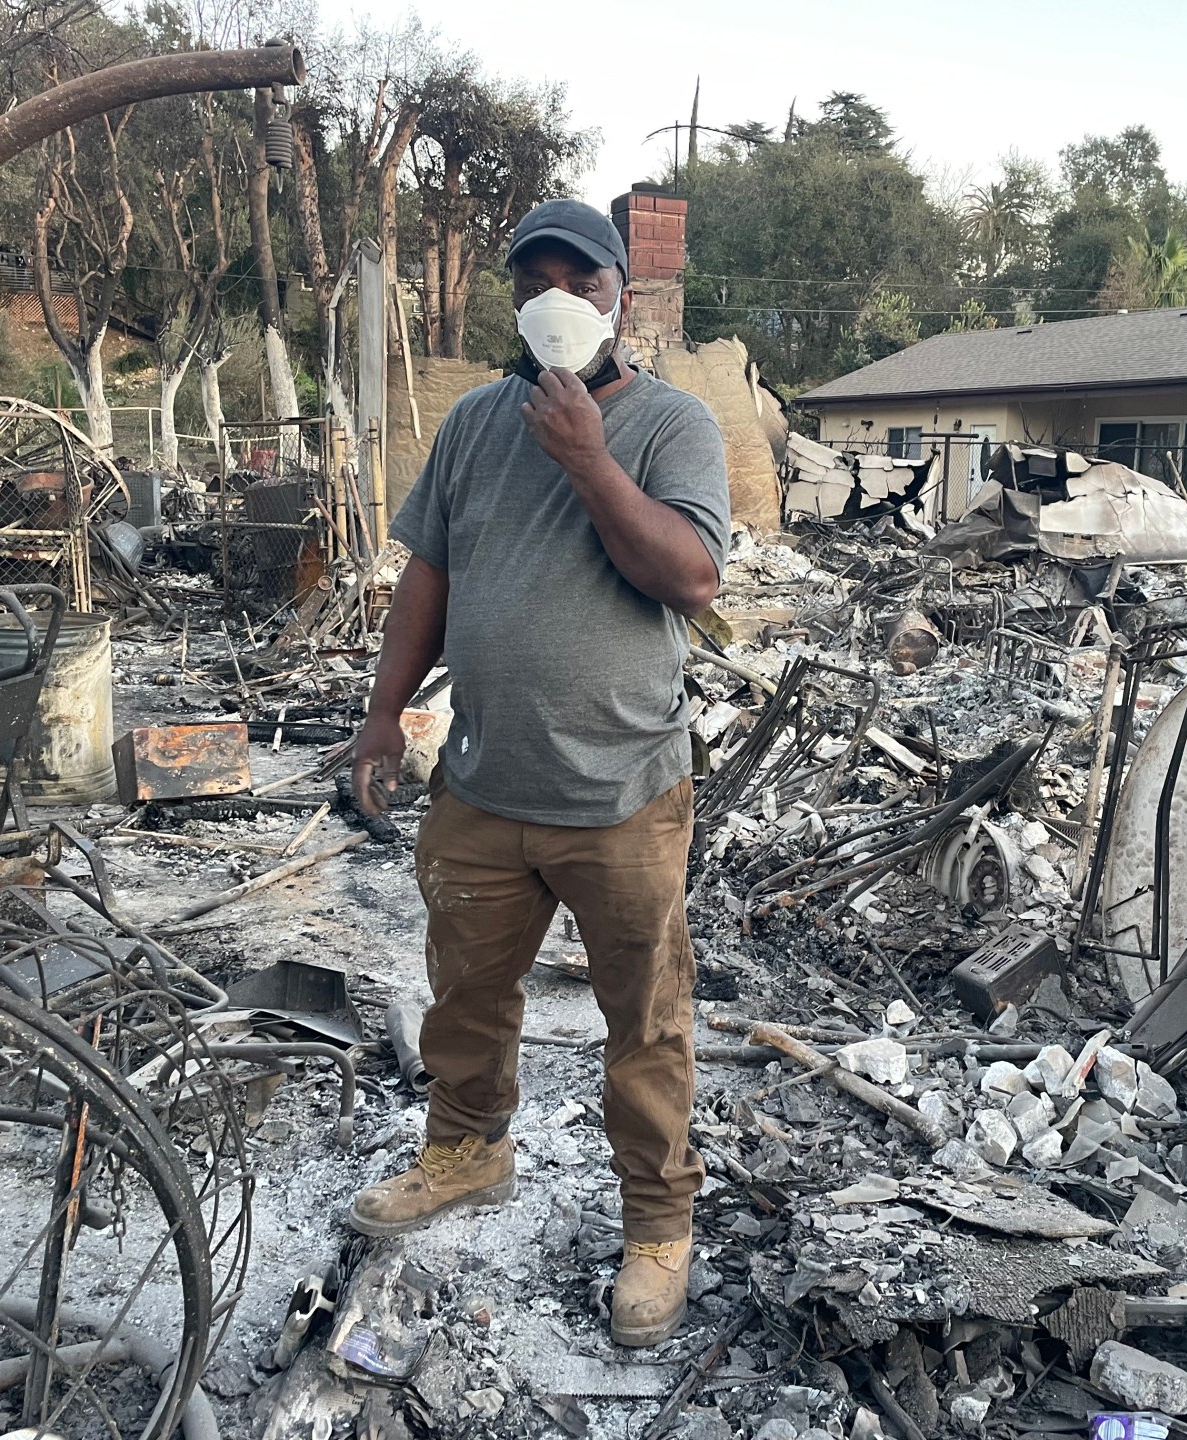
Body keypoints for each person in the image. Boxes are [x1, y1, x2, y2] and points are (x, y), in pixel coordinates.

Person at [345, 198, 730, 1349]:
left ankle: (658, 1226)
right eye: (537, 278)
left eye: (584, 278)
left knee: (645, 1023)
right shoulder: (470, 422)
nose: (558, 298)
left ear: (621, 297)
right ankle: (468, 1149)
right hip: (480, 786)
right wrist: (381, 719)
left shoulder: (673, 425)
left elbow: (692, 578)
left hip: (623, 796)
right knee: (464, 995)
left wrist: (590, 462)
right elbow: (432, 580)